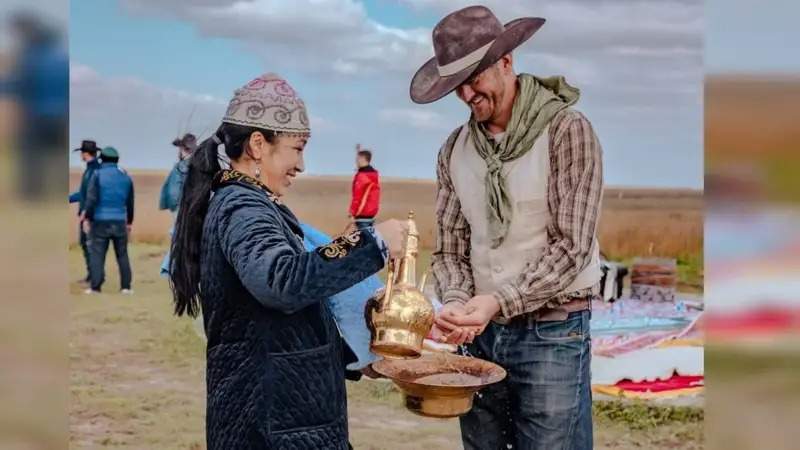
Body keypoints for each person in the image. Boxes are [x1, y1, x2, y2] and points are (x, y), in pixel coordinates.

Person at [168, 73, 406, 450]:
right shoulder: (243, 208)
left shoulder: (252, 204)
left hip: (283, 417)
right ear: (258, 145)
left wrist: (355, 362)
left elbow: (275, 325)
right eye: (297, 148)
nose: (301, 164)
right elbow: (282, 282)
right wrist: (372, 244)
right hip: (273, 426)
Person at [413, 6, 603, 450]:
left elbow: (571, 247)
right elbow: (451, 250)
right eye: (456, 84)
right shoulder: (453, 150)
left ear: (506, 62)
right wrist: (459, 303)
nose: (466, 94)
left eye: (474, 78)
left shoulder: (566, 130)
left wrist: (496, 301)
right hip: (481, 336)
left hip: (553, 331)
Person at [83, 146, 135, 295]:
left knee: (97, 254)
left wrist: (88, 218)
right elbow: (130, 202)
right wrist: (129, 222)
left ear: (102, 159)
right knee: (122, 255)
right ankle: (126, 287)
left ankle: (96, 287)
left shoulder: (97, 175)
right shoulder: (126, 177)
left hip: (100, 220)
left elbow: (91, 199)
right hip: (120, 220)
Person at [159, 133, 197, 276]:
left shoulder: (180, 168)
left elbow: (173, 194)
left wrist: (174, 208)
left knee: (178, 237)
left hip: (182, 208)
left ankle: (169, 269)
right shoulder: (200, 166)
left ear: (182, 149)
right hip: (197, 208)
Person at [69, 139, 101, 284]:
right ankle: (91, 274)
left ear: (86, 153)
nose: (81, 155)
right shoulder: (91, 169)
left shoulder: (93, 171)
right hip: (87, 213)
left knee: (89, 244)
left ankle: (95, 275)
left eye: (82, 152)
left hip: (89, 214)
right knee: (85, 243)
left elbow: (87, 194)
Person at [348, 144, 381, 231]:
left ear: (362, 159)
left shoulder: (362, 177)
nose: (356, 161)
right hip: (371, 213)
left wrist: (352, 213)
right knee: (369, 238)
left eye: (357, 159)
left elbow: (358, 197)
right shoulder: (373, 175)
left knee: (364, 242)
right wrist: (358, 151)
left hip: (361, 215)